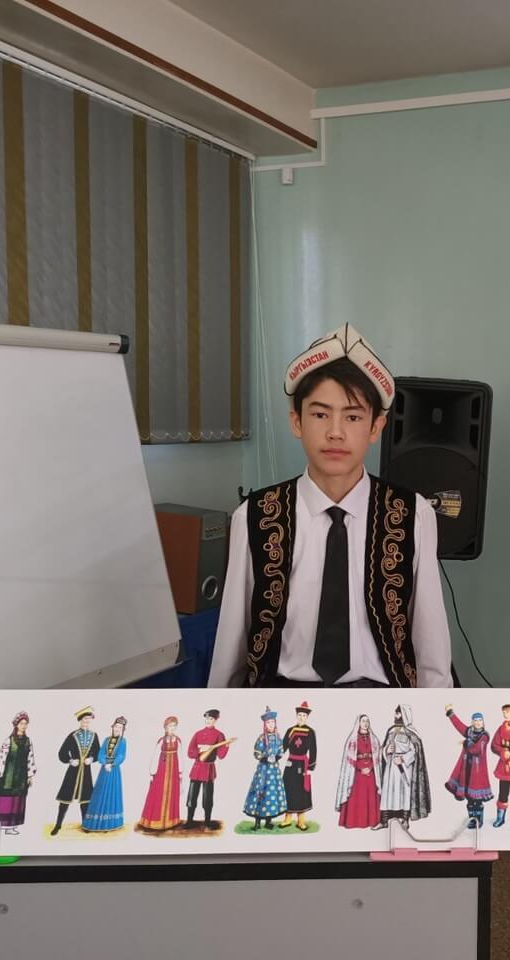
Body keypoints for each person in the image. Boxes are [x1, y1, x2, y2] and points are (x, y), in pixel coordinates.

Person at [208, 324, 453, 690]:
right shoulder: (256, 516)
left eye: (353, 417)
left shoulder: (411, 514)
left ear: (376, 427)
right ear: (296, 421)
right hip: (282, 701)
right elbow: (232, 640)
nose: (335, 432)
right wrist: (219, 708)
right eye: (320, 415)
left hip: (380, 701)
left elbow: (430, 640)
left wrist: (435, 711)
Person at [374, 704, 430, 830]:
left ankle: (405, 819)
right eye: (396, 713)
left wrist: (403, 759)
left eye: (398, 713)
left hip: (404, 768)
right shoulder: (391, 730)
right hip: (390, 767)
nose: (396, 716)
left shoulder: (411, 732)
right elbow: (384, 748)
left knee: (404, 793)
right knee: (387, 793)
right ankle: (384, 821)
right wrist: (387, 750)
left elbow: (415, 751)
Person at [0, 712, 36, 834]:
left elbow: (30, 758)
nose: (23, 726)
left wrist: (30, 775)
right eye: (21, 723)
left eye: (25, 724)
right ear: (16, 725)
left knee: (17, 800)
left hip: (21, 776)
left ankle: (11, 827)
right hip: (7, 775)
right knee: (2, 799)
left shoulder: (28, 741)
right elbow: (1, 758)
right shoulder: (9, 740)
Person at [52, 707, 99, 836]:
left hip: (86, 772)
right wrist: (70, 760)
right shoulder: (73, 735)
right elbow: (62, 752)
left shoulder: (94, 735)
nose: (86, 721)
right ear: (80, 720)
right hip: (73, 771)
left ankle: (85, 824)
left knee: (86, 800)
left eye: (89, 719)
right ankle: (58, 825)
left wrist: (92, 758)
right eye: (84, 719)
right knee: (64, 799)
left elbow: (97, 752)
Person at [444, 706, 493, 828]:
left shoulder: (484, 736)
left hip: (477, 772)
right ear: (472, 722)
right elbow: (459, 726)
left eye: (480, 720)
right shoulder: (469, 732)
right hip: (467, 770)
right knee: (469, 799)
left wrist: (466, 742)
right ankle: (472, 819)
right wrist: (450, 713)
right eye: (475, 720)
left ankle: (479, 820)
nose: (478, 722)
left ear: (483, 722)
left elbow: (477, 750)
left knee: (477, 800)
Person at [185, 710, 231, 830]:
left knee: (208, 797)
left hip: (209, 769)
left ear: (215, 720)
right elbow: (190, 753)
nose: (208, 721)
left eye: (211, 719)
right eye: (206, 718)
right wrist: (200, 750)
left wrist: (226, 746)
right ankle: (189, 821)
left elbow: (221, 755)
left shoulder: (219, 735)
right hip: (197, 768)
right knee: (192, 796)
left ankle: (207, 821)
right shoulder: (198, 734)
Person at [242, 706, 285, 830]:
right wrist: (265, 758)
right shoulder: (261, 738)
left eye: (272, 722)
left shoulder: (278, 737)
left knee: (271, 794)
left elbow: (281, 751)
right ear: (265, 724)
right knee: (260, 793)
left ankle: (268, 821)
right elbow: (256, 753)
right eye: (268, 722)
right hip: (263, 771)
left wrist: (276, 757)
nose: (270, 725)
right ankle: (257, 822)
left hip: (274, 771)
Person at [335, 714, 380, 829]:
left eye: (367, 721)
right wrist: (361, 768)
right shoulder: (353, 738)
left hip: (371, 772)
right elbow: (349, 758)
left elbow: (377, 756)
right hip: (357, 773)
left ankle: (372, 821)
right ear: (359, 723)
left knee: (371, 795)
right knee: (357, 797)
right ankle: (354, 822)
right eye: (363, 721)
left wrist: (370, 767)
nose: (365, 723)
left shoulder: (374, 739)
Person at [84, 716, 127, 832]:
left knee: (111, 794)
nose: (117, 729)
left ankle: (109, 824)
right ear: (112, 727)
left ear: (122, 730)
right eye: (116, 726)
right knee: (99, 793)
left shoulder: (123, 741)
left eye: (120, 728)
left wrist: (112, 764)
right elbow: (101, 753)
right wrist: (104, 763)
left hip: (114, 771)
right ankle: (94, 823)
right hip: (104, 770)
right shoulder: (106, 740)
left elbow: (121, 755)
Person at [138, 717, 182, 832]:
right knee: (158, 793)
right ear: (165, 727)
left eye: (174, 726)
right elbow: (155, 755)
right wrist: (152, 772)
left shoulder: (178, 740)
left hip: (174, 771)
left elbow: (181, 756)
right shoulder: (161, 741)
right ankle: (155, 821)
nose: (172, 728)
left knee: (172, 794)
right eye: (170, 726)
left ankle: (170, 821)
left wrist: (180, 772)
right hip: (161, 770)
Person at [279, 702, 317, 831]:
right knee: (288, 790)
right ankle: (287, 819)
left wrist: (310, 767)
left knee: (301, 792)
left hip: (303, 765)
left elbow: (313, 750)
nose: (301, 717)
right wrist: (275, 757)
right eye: (299, 715)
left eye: (304, 715)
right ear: (296, 716)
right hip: (291, 764)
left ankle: (301, 821)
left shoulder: (310, 732)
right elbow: (283, 747)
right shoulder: (290, 730)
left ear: (307, 717)